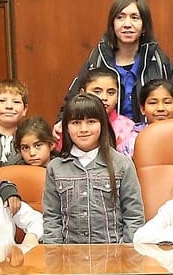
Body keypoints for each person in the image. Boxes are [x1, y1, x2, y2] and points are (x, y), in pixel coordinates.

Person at [41, 94, 145, 245]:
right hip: (69, 259)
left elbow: (134, 216)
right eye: (76, 122)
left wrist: (128, 256)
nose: (84, 129)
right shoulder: (55, 168)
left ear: (102, 124)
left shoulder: (122, 164)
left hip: (114, 259)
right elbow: (52, 218)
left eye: (91, 122)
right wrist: (54, 258)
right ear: (66, 127)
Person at [67, 0, 173, 118]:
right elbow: (74, 100)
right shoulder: (98, 58)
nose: (127, 24)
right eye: (120, 17)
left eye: (135, 17)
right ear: (112, 24)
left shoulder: (157, 59)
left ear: (144, 26)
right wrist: (61, 121)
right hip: (108, 135)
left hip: (151, 134)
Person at [75, 67, 140, 155]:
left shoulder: (130, 128)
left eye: (111, 93)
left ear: (117, 97)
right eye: (97, 91)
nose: (104, 98)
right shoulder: (71, 124)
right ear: (82, 93)